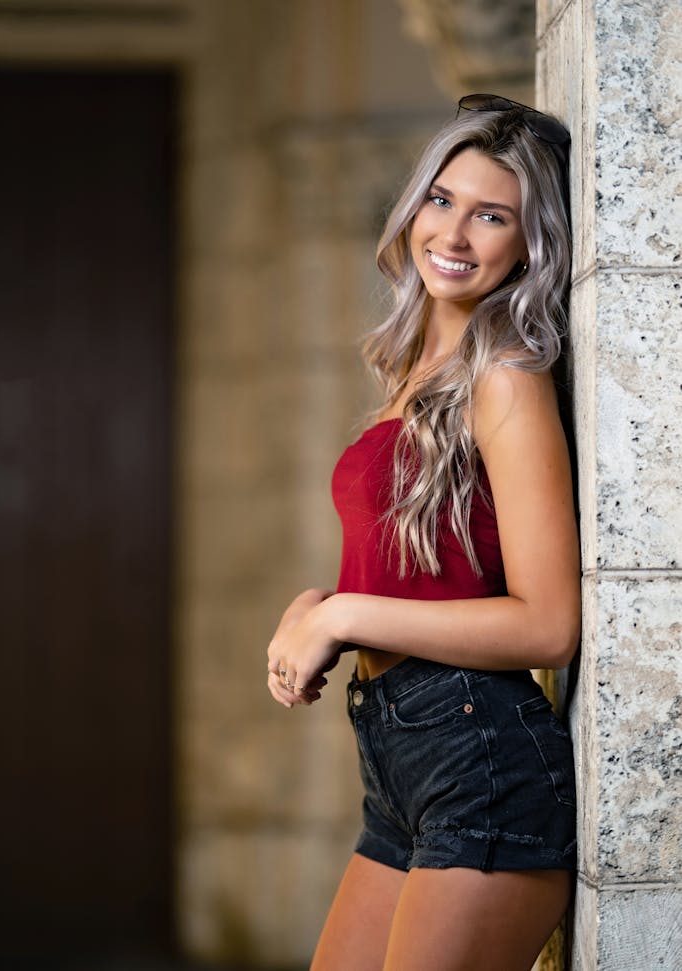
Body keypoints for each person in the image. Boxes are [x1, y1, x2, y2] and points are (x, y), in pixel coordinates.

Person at [266, 94, 579, 971]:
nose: (456, 233)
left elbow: (548, 623)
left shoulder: (506, 382)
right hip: (400, 761)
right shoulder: (417, 378)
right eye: (442, 200)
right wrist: (316, 604)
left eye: (493, 216)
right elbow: (419, 572)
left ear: (529, 245)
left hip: (480, 755)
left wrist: (345, 617)